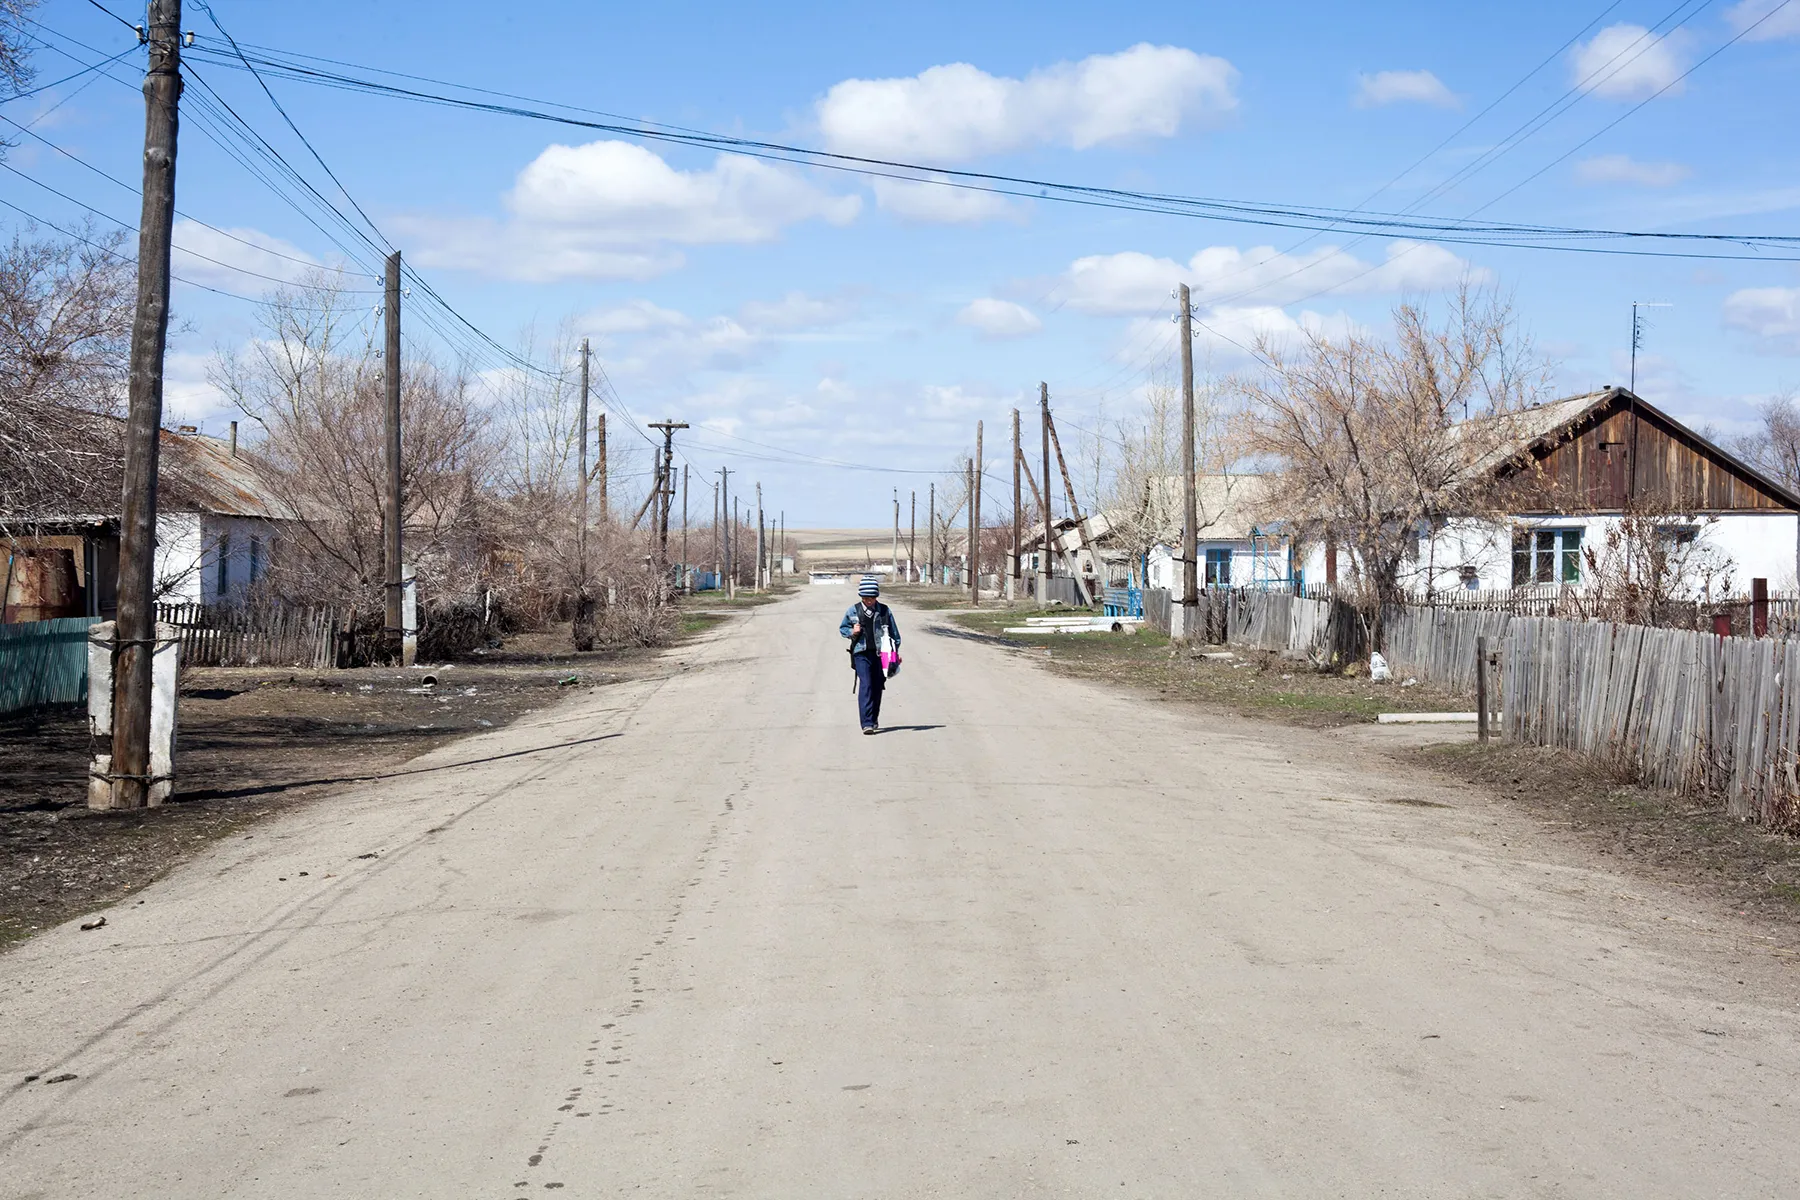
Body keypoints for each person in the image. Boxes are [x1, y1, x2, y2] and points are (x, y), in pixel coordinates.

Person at [840, 576, 900, 734]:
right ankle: (866, 723)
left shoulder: (885, 611)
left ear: (876, 596)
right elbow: (842, 629)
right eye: (866, 598)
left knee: (877, 686)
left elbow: (895, 636)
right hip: (861, 654)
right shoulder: (853, 611)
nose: (869, 601)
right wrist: (852, 632)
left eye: (872, 598)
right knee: (866, 685)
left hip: (882, 655)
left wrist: (894, 657)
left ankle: (873, 719)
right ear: (861, 596)